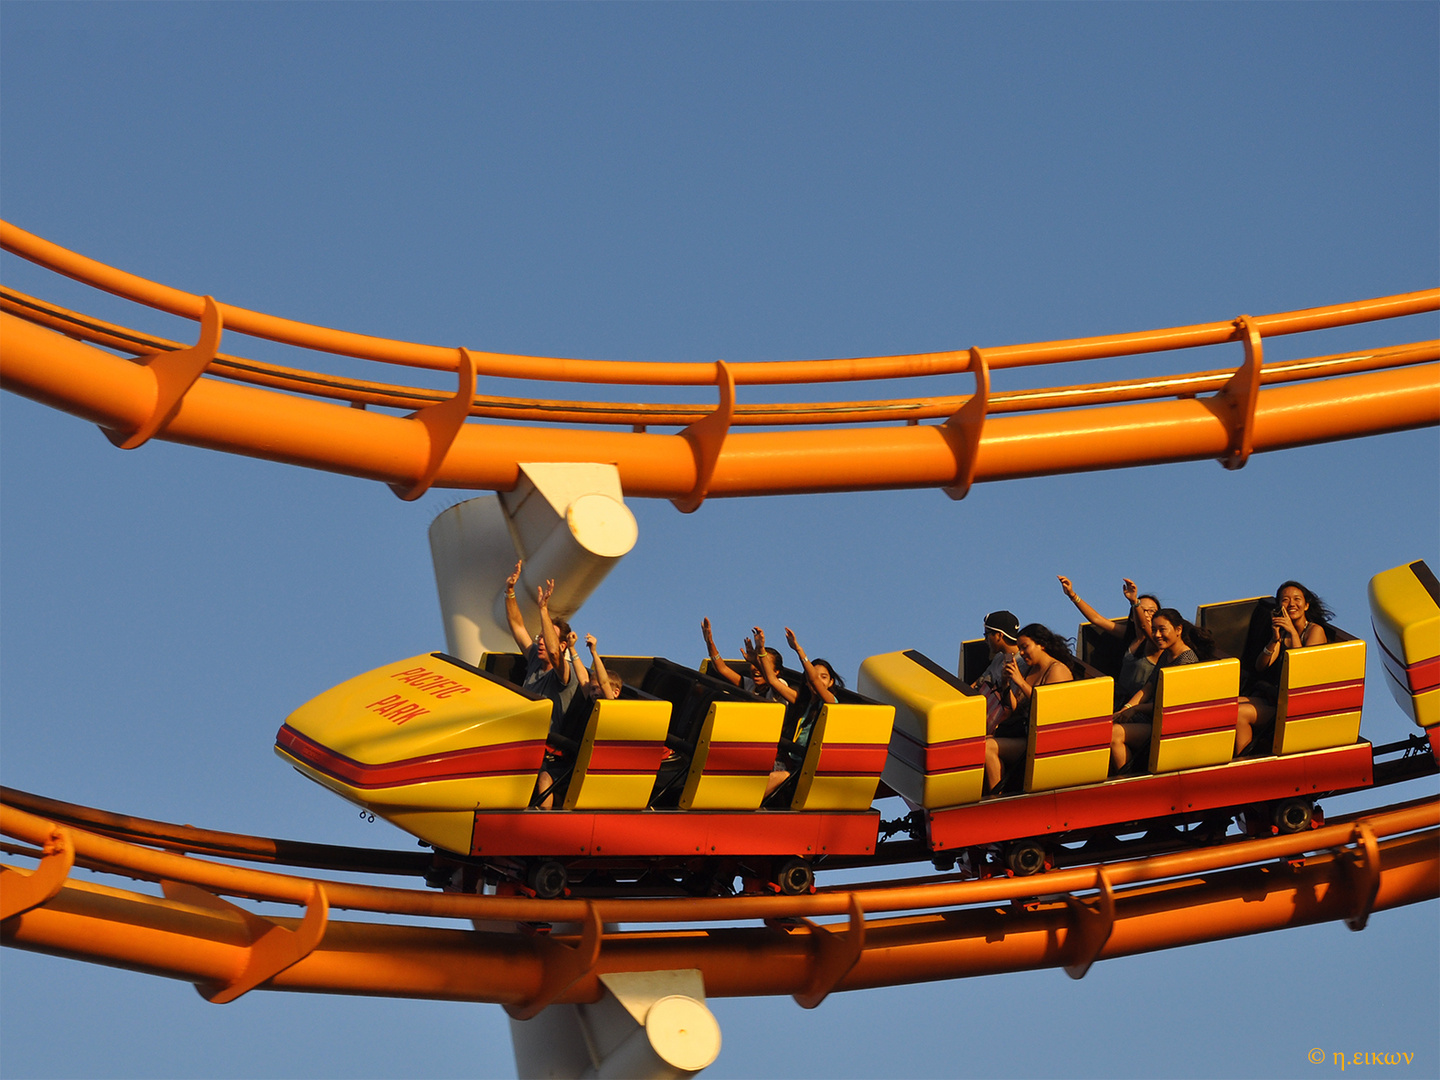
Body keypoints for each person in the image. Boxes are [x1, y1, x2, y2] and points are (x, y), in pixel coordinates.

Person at [1235, 580, 1332, 756]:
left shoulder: (1314, 631)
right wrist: (1274, 639)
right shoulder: (1283, 632)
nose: (1291, 604)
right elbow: (1261, 666)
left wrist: (1293, 633)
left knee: (1240, 713)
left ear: (1306, 605)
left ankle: (1245, 760)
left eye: (1297, 599)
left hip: (1298, 705)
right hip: (1277, 697)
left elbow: (1301, 668)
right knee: (1229, 706)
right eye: (1285, 600)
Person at [1110, 608, 1214, 772]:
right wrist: (1126, 709)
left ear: (1178, 630)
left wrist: (1136, 709)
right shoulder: (1166, 655)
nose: (1157, 635)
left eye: (1162, 629)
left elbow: (1169, 705)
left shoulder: (1186, 661)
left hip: (1168, 728)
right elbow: (1149, 687)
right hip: (1153, 718)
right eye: (1154, 630)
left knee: (1114, 734)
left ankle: (1129, 781)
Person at [984, 624, 1074, 793]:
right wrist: (1006, 685)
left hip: (1044, 742)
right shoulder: (1029, 670)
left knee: (988, 748)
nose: (1022, 653)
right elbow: (1015, 708)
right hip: (1024, 734)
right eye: (1020, 649)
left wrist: (1020, 682)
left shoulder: (1057, 670)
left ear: (1041, 644)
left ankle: (997, 798)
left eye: (1025, 647)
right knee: (981, 742)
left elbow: (1050, 708)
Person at [763, 628, 844, 798]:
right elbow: (772, 680)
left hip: (806, 769)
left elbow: (814, 681)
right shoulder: (803, 702)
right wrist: (760, 651)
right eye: (814, 676)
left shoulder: (831, 703)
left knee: (780, 776)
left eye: (824, 677)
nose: (817, 680)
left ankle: (741, 805)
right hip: (789, 760)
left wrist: (799, 650)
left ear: (831, 682)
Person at [1057, 576, 1163, 705]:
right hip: (1120, 698)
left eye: (1151, 611)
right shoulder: (1129, 635)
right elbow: (1097, 619)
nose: (1146, 614)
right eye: (1142, 609)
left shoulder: (1157, 642)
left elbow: (1143, 626)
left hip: (1140, 703)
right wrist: (1072, 595)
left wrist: (1135, 602)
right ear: (1132, 616)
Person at [970, 610, 1025, 734]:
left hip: (1002, 727)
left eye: (987, 634)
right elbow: (979, 683)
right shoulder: (999, 658)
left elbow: (1014, 706)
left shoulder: (1022, 664)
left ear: (999, 635)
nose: (985, 640)